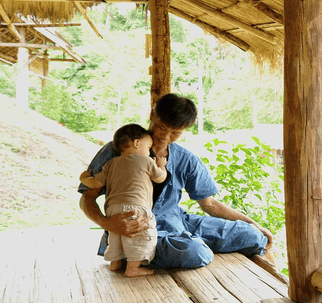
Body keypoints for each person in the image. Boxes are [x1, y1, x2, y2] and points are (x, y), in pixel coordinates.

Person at [79, 93, 273, 269]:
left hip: (178, 220)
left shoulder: (185, 159)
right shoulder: (118, 151)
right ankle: (136, 253)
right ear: (152, 115)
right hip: (138, 229)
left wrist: (254, 223)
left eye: (176, 133)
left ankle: (186, 240)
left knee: (254, 235)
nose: (165, 136)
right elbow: (87, 197)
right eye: (162, 128)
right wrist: (108, 224)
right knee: (193, 252)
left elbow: (210, 203)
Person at [79, 123, 166, 277]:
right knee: (140, 236)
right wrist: (161, 166)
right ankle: (133, 268)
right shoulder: (146, 161)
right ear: (137, 142)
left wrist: (83, 177)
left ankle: (115, 263)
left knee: (116, 236)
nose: (149, 151)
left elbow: (95, 183)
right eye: (148, 147)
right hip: (136, 207)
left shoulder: (110, 164)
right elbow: (159, 178)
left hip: (113, 209)